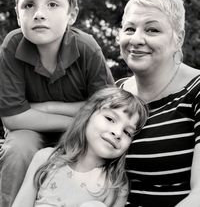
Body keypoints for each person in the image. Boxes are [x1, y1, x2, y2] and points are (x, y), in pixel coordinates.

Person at [0, 0, 114, 207]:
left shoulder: (87, 48)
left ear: (71, 14)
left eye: (52, 4)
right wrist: (76, 114)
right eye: (29, 5)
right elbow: (13, 119)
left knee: (89, 156)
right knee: (19, 149)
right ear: (18, 13)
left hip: (79, 135)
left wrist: (47, 108)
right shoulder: (12, 45)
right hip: (28, 134)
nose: (39, 13)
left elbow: (105, 109)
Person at [117, 0, 200, 207]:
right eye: (129, 29)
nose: (136, 39)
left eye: (152, 29)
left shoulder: (197, 90)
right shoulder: (114, 94)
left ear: (178, 38)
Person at [11, 87, 148, 207]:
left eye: (127, 132)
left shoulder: (116, 185)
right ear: (87, 116)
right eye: (110, 119)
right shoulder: (46, 158)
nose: (117, 133)